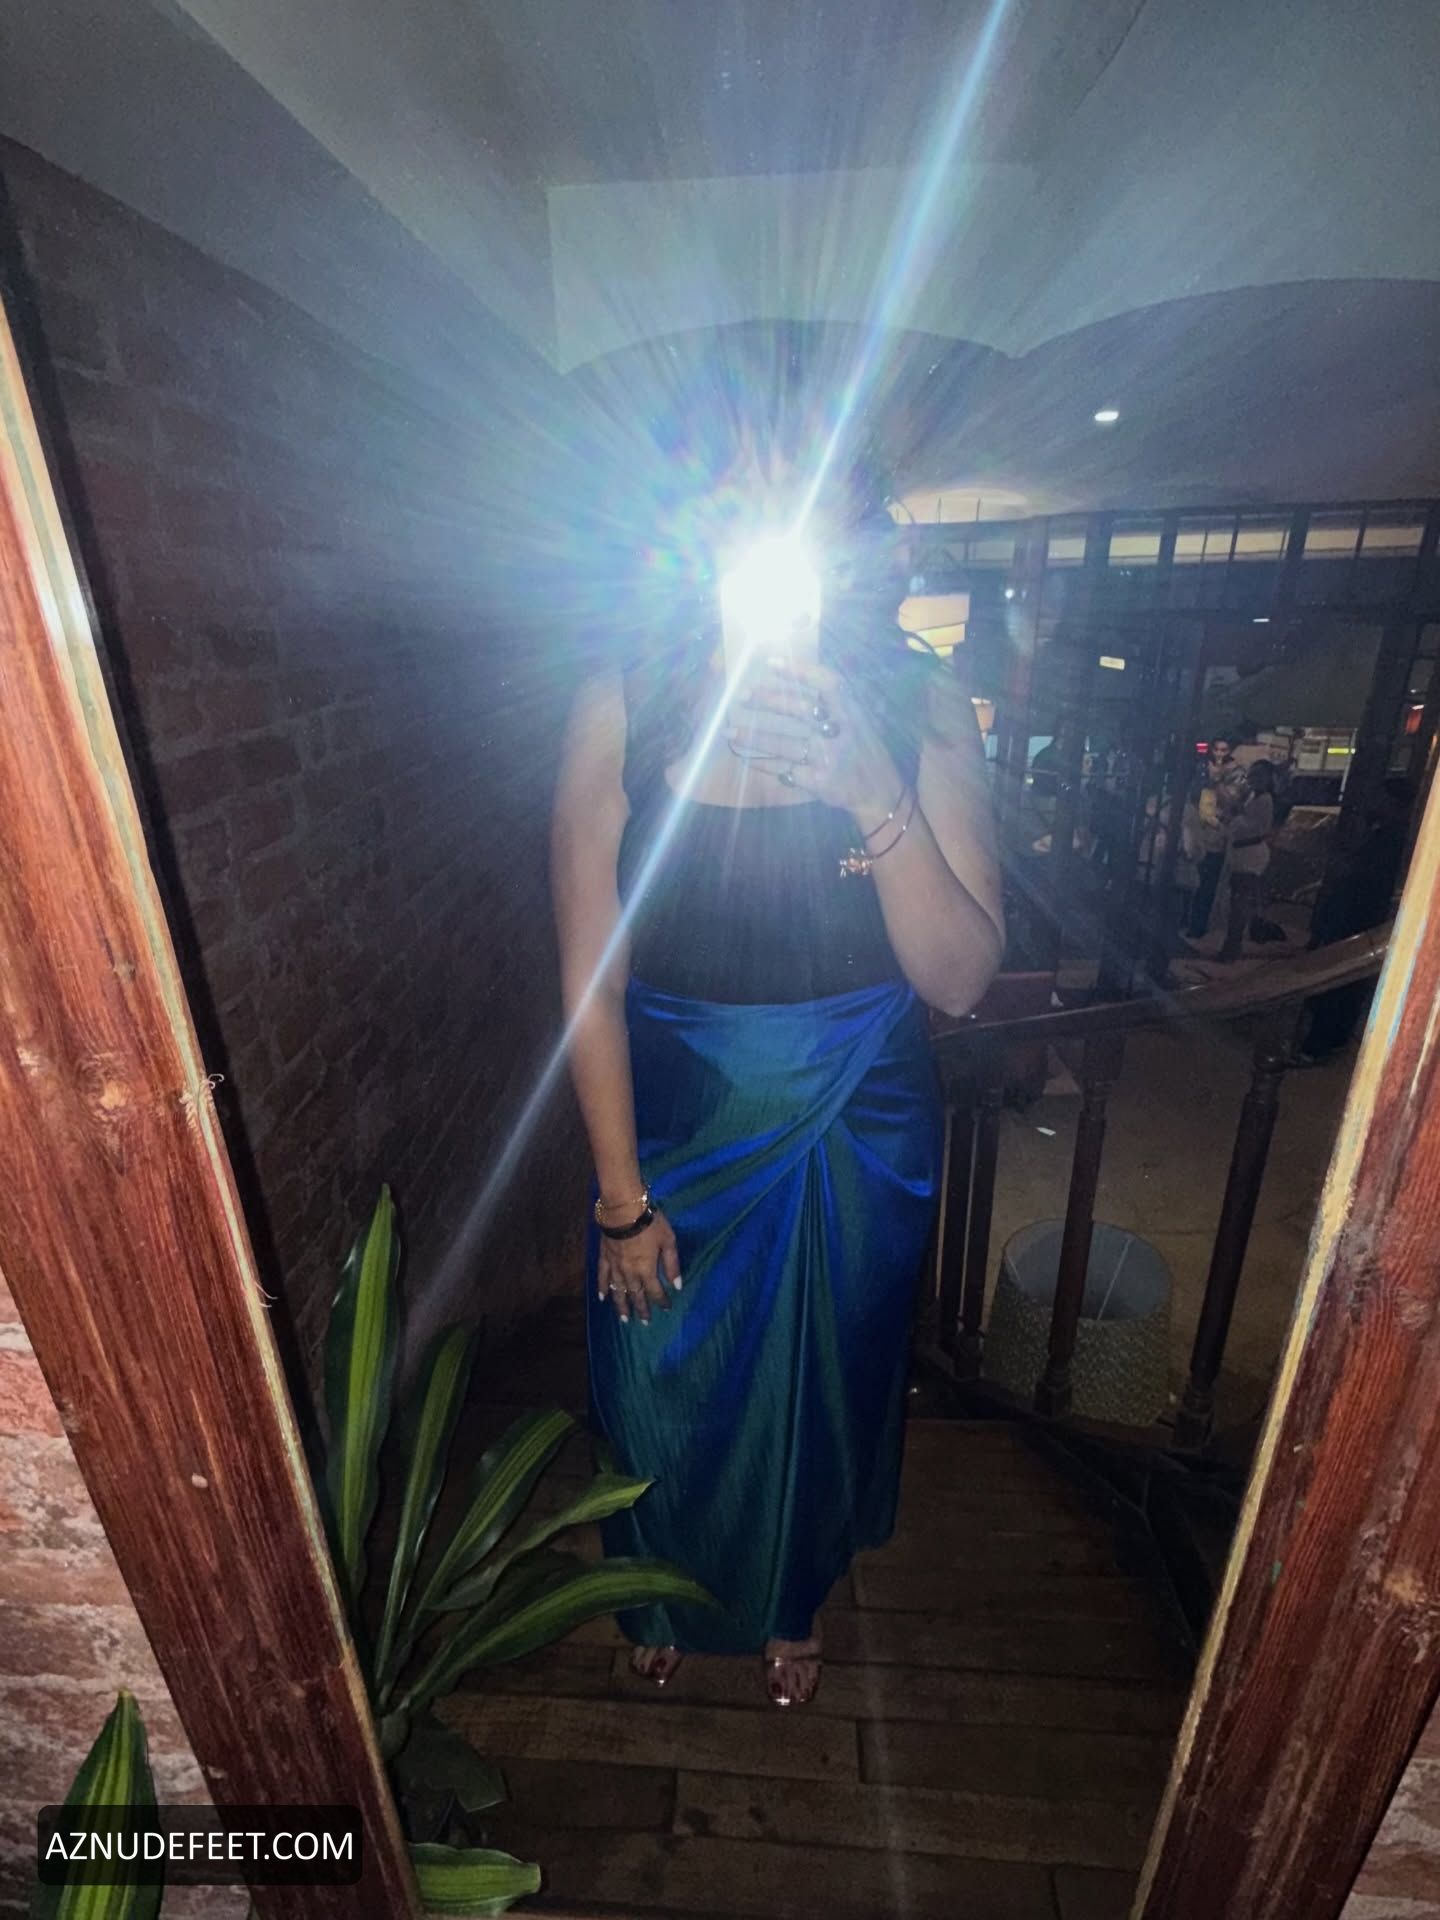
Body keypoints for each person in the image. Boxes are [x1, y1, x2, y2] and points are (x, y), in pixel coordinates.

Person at [551, 459, 1003, 1709]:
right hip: (674, 1114)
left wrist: (870, 790)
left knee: (822, 1372)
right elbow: (591, 980)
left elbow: (962, 978)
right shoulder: (622, 700)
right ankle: (660, 1585)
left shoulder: (920, 706)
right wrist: (620, 1197)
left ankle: (791, 1595)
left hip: (856, 1114)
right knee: (654, 1363)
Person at [1296, 776, 1413, 1061]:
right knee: (1345, 983)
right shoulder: (1382, 833)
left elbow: (1366, 877)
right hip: (1355, 912)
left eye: (1382, 798)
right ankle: (1331, 1037)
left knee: (1339, 980)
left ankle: (1320, 1042)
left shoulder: (1392, 839)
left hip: (1358, 914)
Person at [1186, 737, 1248, 939]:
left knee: (1207, 884)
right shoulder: (1203, 768)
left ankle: (1199, 925)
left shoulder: (1238, 773)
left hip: (1217, 836)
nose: (1219, 754)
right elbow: (1192, 795)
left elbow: (1233, 802)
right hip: (1198, 832)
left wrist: (1218, 780)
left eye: (1224, 750)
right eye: (1216, 749)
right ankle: (1186, 920)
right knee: (1190, 880)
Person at [1217, 759, 1278, 962]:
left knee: (1239, 904)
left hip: (1250, 856)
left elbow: (1252, 827)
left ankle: (1232, 947)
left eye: (1258, 775)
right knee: (1237, 902)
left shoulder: (1265, 800)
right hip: (1242, 853)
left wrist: (1234, 816)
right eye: (1252, 774)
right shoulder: (1253, 796)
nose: (1253, 779)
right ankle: (1231, 945)